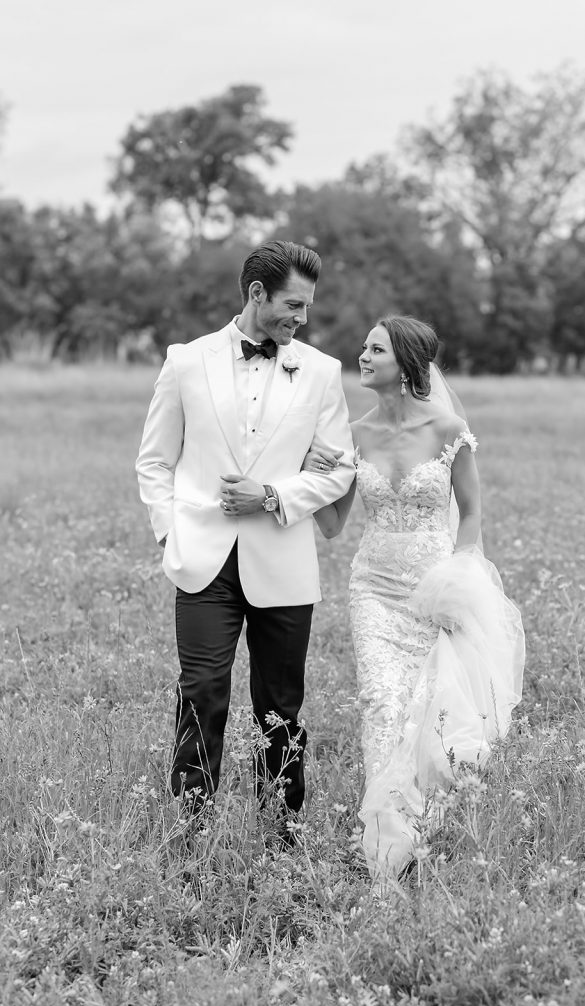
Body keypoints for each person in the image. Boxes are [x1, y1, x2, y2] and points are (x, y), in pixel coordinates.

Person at [135, 240, 355, 832]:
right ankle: (191, 828)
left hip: (282, 560)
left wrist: (276, 497)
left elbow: (339, 468)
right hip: (203, 559)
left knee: (280, 707)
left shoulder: (322, 372)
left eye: (306, 308)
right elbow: (155, 461)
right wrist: (168, 533)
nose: (301, 319)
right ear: (257, 294)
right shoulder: (186, 361)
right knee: (202, 691)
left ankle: (280, 834)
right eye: (293, 304)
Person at [306, 315, 524, 885]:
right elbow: (332, 525)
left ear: (405, 363)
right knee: (381, 702)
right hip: (373, 589)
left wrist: (460, 582)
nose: (363, 354)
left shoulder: (448, 428)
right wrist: (308, 477)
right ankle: (384, 848)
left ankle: (427, 825)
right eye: (364, 346)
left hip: (433, 589)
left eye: (375, 348)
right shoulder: (354, 434)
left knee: (430, 709)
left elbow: (472, 513)